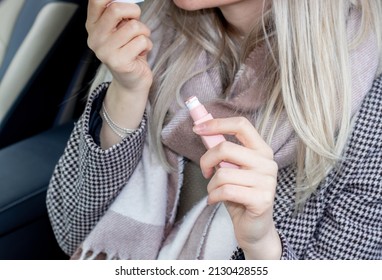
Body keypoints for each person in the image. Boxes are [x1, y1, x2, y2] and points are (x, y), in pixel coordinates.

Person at [46, 0, 382, 260]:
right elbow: (69, 228)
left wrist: (261, 247)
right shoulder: (149, 32)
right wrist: (128, 90)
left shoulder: (367, 106)